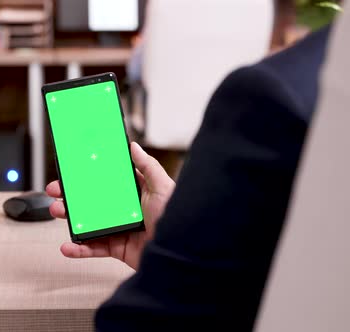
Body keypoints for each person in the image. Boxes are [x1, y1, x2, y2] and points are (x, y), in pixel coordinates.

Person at [47, 25, 332, 331]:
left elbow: (147, 321)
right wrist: (172, 238)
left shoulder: (271, 95)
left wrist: (175, 257)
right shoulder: (336, 81)